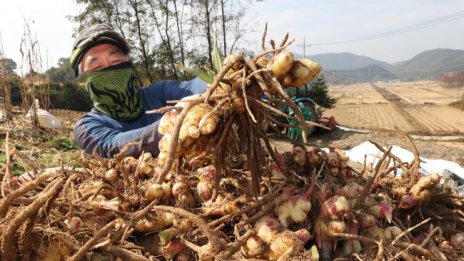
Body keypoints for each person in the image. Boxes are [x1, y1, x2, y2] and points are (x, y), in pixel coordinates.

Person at [70, 24, 207, 158]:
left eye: (117, 61)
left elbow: (193, 87)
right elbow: (111, 145)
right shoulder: (88, 126)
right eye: (96, 67)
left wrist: (220, 77)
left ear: (129, 64)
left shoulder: (159, 93)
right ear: (82, 81)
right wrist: (167, 125)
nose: (110, 70)